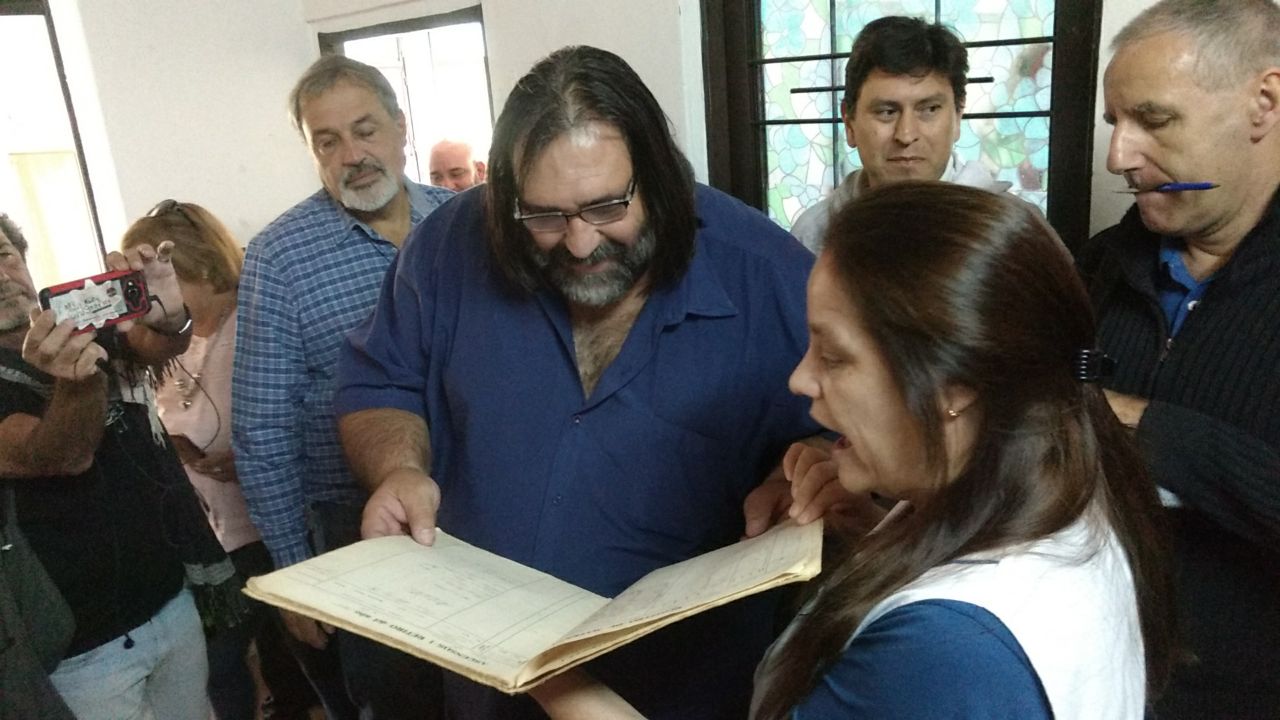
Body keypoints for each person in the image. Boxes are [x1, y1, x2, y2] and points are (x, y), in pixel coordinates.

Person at [530, 181, 1176, 720]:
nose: (800, 379)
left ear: (956, 387)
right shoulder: (1069, 497)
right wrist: (878, 535)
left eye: (834, 356)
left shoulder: (943, 649)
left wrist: (554, 678)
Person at [334, 45, 823, 719]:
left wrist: (804, 472)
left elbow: (846, 444)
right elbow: (379, 385)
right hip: (480, 685)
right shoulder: (447, 246)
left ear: (662, 178)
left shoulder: (772, 277)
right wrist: (398, 469)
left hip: (676, 696)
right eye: (544, 216)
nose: (580, 244)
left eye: (607, 207)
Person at [233, 54, 453, 719]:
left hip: (473, 506)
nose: (352, 155)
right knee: (398, 700)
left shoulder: (464, 221)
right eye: (327, 142)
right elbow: (262, 428)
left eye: (365, 130)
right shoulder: (280, 257)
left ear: (400, 126)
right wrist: (294, 572)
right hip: (358, 528)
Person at [1078, 1, 1280, 716]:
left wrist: (1147, 428)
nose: (1118, 158)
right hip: (1086, 680)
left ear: (1264, 103)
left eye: (1154, 119)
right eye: (1115, 123)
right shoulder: (1095, 270)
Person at [0, 212, 247, 719]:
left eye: (3, 256)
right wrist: (79, 383)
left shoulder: (77, 325)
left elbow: (153, 346)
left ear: (22, 259)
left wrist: (170, 317)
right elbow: (61, 455)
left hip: (171, 598)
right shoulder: (71, 346)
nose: (2, 278)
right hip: (83, 649)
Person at [121, 200, 317, 720]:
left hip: (270, 523)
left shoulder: (258, 323)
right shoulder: (169, 341)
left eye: (160, 279)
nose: (148, 294)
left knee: (282, 658)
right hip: (207, 531)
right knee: (232, 664)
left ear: (202, 268)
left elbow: (305, 414)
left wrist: (259, 455)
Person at [789, 16, 1012, 253]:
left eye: (929, 109)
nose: (906, 135)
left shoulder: (1013, 232)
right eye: (886, 112)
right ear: (849, 122)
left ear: (958, 116)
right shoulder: (812, 236)